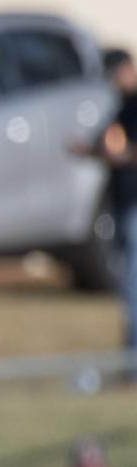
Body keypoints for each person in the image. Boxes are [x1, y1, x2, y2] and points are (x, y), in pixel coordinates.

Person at [97, 49, 137, 379]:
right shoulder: (121, 107)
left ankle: (133, 363)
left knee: (134, 287)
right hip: (123, 206)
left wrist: (123, 153)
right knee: (128, 287)